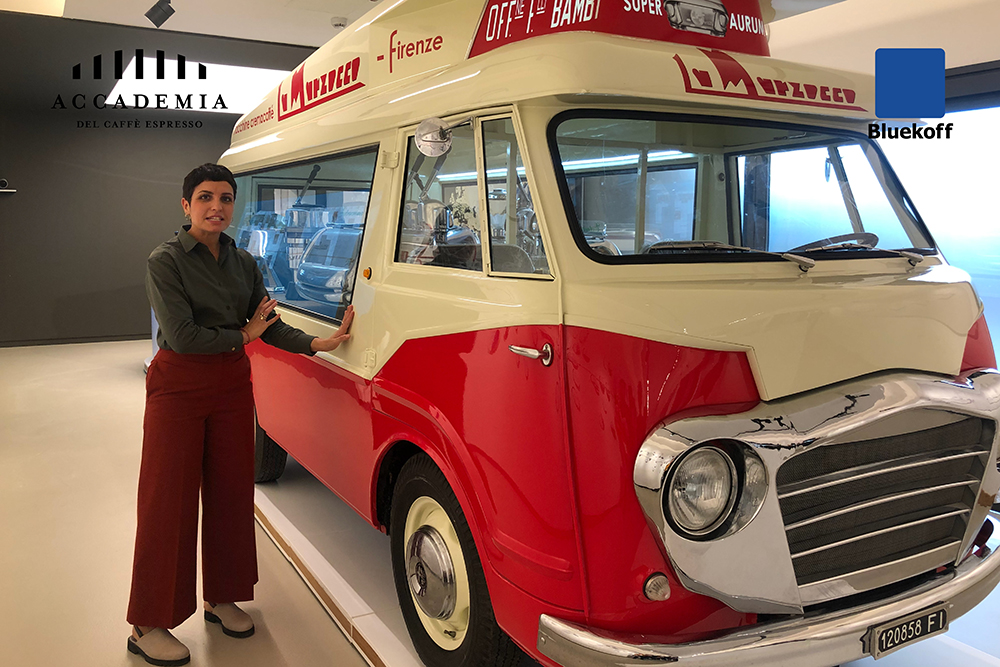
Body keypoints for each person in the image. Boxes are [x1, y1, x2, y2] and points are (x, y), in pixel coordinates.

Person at [126, 164, 355, 666]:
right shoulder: (165, 260)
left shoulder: (243, 261)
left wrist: (317, 343)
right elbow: (183, 335)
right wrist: (244, 334)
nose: (217, 207)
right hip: (179, 385)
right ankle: (148, 622)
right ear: (186, 205)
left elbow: (267, 323)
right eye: (205, 198)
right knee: (168, 499)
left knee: (231, 493)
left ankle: (222, 597)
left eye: (226, 198)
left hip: (230, 384)